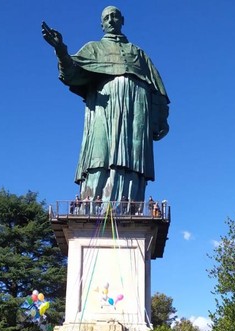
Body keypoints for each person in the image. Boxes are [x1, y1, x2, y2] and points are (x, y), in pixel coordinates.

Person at [42, 6, 170, 203]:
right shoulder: (94, 49)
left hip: (136, 109)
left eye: (115, 16)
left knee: (133, 157)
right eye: (106, 18)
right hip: (104, 106)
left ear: (122, 20)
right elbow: (71, 75)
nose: (111, 20)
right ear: (101, 24)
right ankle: (95, 202)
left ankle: (129, 203)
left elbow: (158, 90)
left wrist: (160, 118)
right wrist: (61, 50)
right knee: (100, 153)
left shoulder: (138, 53)